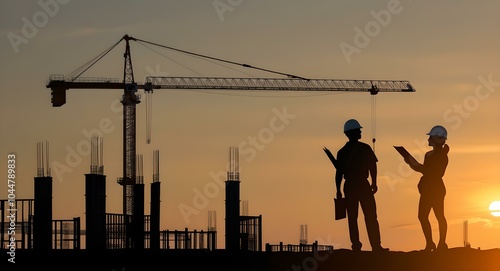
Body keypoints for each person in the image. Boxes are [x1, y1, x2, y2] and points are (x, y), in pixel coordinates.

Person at [332, 119, 388, 252]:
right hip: (362, 185)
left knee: (354, 217)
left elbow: (339, 173)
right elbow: (372, 166)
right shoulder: (364, 148)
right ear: (352, 133)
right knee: (369, 216)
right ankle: (375, 246)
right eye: (358, 130)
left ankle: (357, 246)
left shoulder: (342, 152)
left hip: (351, 186)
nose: (361, 132)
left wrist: (338, 190)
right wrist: (374, 183)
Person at [404, 125, 449, 251]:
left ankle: (441, 244)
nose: (428, 139)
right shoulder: (429, 155)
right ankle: (430, 243)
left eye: (430, 137)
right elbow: (426, 171)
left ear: (437, 139)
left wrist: (416, 166)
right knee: (423, 216)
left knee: (439, 216)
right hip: (427, 190)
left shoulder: (442, 156)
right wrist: (414, 165)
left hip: (436, 190)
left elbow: (436, 173)